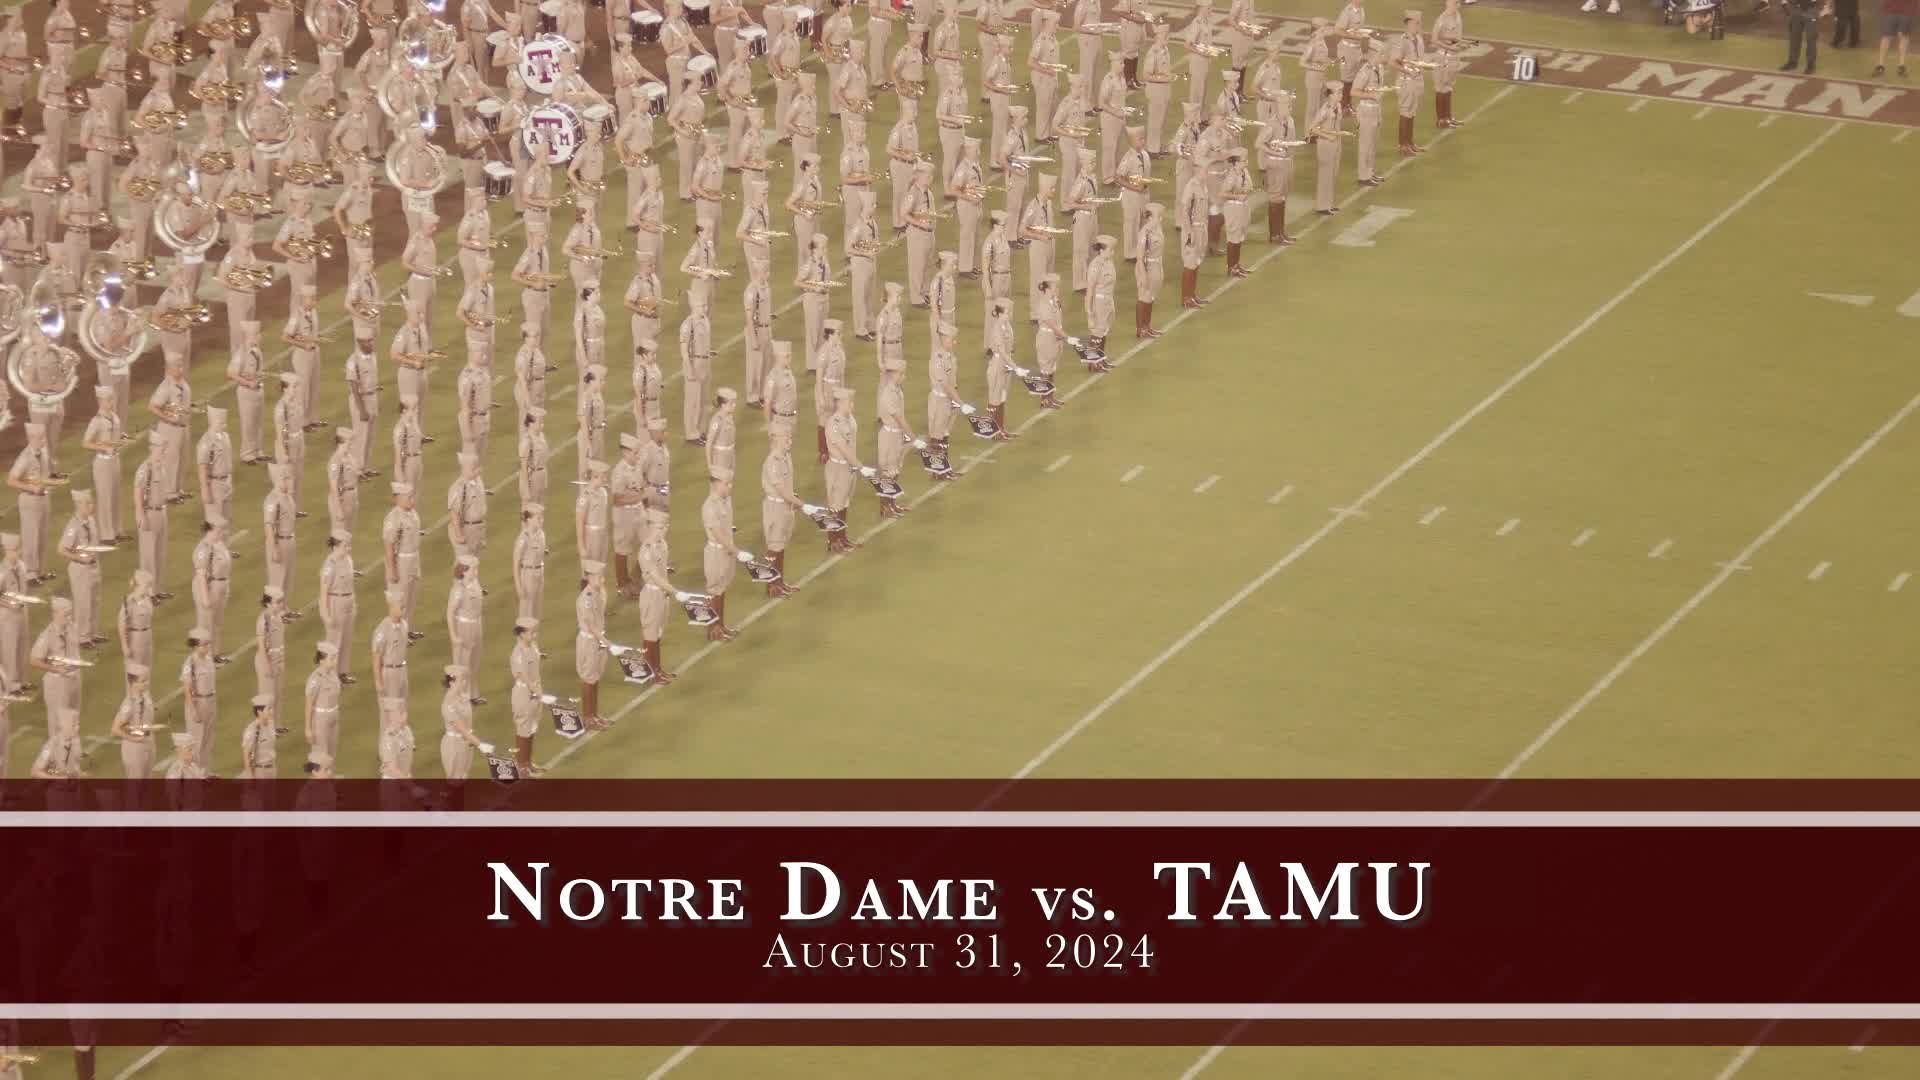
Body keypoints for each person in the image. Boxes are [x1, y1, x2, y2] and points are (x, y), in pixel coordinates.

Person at [636, 509, 678, 684]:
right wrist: (675, 591)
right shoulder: (646, 551)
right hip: (653, 594)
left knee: (658, 632)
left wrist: (669, 591)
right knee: (650, 634)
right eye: (659, 527)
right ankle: (651, 672)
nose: (663, 531)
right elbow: (655, 576)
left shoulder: (662, 544)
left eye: (665, 527)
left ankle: (657, 669)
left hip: (663, 594)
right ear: (650, 527)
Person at [58, 490, 104, 648]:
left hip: (94, 566)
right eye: (88, 503)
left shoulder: (90, 520)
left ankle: (92, 633)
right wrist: (80, 558)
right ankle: (82, 637)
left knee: (95, 601)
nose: (92, 506)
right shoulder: (73, 526)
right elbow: (62, 549)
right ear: (79, 505)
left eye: (92, 502)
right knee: (83, 603)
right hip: (80, 569)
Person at [701, 470, 743, 640]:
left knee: (722, 588)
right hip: (716, 552)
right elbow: (717, 533)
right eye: (727, 483)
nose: (730, 486)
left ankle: (720, 625)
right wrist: (735, 550)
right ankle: (712, 629)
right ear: (716, 483)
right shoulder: (709, 506)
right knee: (714, 590)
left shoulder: (726, 500)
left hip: (726, 550)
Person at [822, 386, 863, 552]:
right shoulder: (833, 424)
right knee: (835, 505)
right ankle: (833, 541)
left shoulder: (849, 419)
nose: (852, 405)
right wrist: (858, 464)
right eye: (849, 402)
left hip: (849, 467)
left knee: (844, 503)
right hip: (838, 468)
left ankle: (842, 537)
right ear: (839, 403)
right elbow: (843, 448)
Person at [575, 561, 610, 727]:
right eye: (598, 576)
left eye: (602, 576)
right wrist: (604, 641)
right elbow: (590, 625)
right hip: (590, 640)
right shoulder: (586, 599)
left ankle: (594, 714)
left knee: (595, 676)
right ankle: (588, 717)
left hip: (598, 639)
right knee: (589, 678)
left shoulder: (598, 593)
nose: (602, 579)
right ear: (589, 577)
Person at [447, 555, 485, 702]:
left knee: (475, 661)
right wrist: (453, 635)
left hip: (476, 624)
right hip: (464, 626)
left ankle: (473, 694)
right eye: (473, 569)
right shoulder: (458, 589)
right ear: (463, 571)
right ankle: (461, 697)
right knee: (463, 663)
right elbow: (450, 612)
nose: (476, 572)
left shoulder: (475, 583)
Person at [112, 664, 158, 781]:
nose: (146, 683)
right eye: (143, 681)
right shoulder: (128, 704)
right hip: (135, 749)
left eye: (147, 680)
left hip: (149, 742)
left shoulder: (146, 696)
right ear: (133, 683)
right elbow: (115, 729)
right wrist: (133, 739)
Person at [509, 618, 543, 773]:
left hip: (535, 689)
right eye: (531, 632)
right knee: (523, 728)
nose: (534, 635)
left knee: (532, 726)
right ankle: (520, 766)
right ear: (522, 634)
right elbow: (521, 675)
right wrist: (535, 690)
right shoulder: (518, 653)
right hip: (524, 692)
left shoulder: (532, 646)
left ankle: (527, 762)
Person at [181, 627, 217, 767]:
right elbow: (187, 690)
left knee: (209, 739)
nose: (208, 647)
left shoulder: (208, 659)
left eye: (209, 644)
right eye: (204, 644)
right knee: (196, 742)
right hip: (198, 703)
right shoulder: (190, 664)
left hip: (211, 701)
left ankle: (204, 772)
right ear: (195, 645)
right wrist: (193, 710)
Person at [372, 590, 412, 708]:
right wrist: (378, 682)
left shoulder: (404, 625)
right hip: (389, 673)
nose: (403, 606)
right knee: (390, 710)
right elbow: (376, 658)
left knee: (403, 708)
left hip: (402, 671)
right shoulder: (382, 630)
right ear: (392, 606)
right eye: (400, 604)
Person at [304, 640, 342, 765]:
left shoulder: (333, 674)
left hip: (333, 715)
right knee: (320, 756)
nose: (335, 661)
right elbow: (309, 704)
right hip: (321, 719)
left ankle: (329, 780)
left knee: (331, 753)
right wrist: (308, 728)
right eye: (332, 658)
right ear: (322, 660)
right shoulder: (315, 679)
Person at [440, 665, 480, 779]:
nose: (464, 682)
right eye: (460, 680)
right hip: (454, 745)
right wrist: (481, 745)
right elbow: (462, 730)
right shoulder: (448, 705)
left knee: (464, 775)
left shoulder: (463, 697)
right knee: (455, 779)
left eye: (464, 679)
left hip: (466, 743)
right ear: (451, 683)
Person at [1781, 0, 1828, 73]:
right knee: (1794, 37)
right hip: (1796, 9)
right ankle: (1792, 62)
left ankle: (1810, 65)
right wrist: (1784, 3)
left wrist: (1824, 7)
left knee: (1811, 38)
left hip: (1811, 9)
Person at [240, 694, 279, 779]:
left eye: (271, 708)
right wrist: (250, 776)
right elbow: (246, 754)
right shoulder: (251, 730)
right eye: (268, 709)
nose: (272, 711)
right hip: (260, 771)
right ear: (259, 712)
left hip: (272, 769)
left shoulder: (271, 724)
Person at [1875, 0, 1912, 76]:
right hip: (1890, 11)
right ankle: (1880, 65)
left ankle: (1901, 66)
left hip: (1906, 11)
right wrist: (1884, 7)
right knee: (1886, 37)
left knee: (1903, 37)